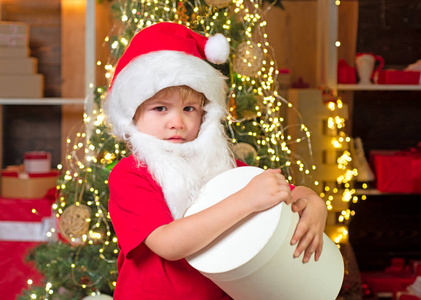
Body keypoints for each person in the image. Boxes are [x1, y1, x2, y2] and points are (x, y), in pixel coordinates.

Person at [104, 22, 327, 299]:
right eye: (160, 108)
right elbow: (168, 243)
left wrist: (314, 203)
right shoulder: (130, 174)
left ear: (205, 113)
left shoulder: (219, 165)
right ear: (133, 115)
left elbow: (281, 191)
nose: (177, 122)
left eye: (189, 109)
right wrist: (246, 200)